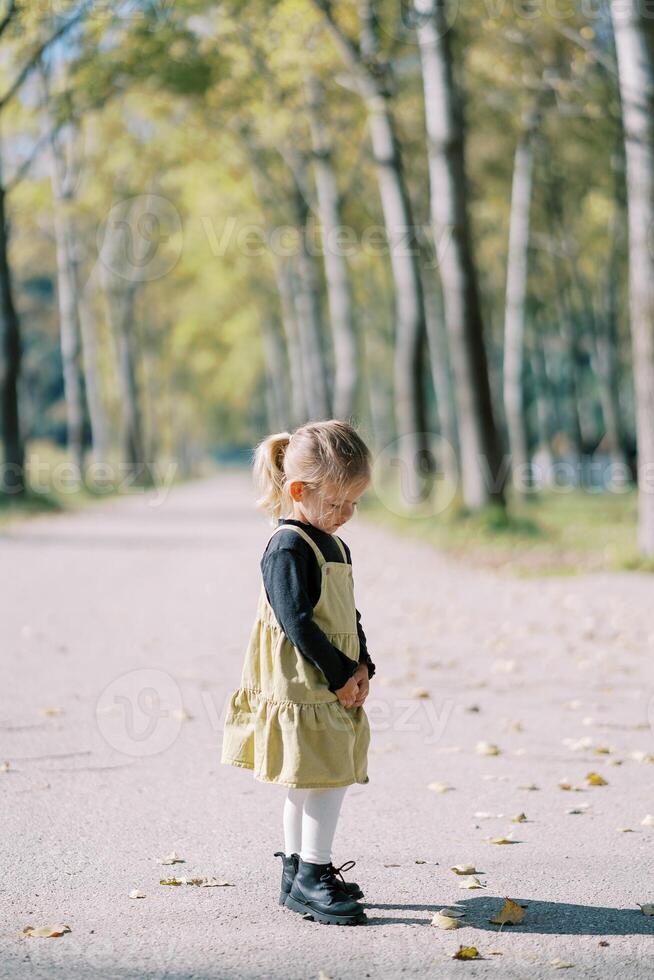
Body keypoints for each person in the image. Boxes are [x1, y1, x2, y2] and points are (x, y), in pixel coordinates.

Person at [221, 419, 375, 926]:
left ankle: (295, 873)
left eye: (355, 503)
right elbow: (297, 624)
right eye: (337, 504)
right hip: (306, 682)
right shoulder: (288, 546)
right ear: (297, 491)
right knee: (326, 775)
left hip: (329, 679)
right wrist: (338, 676)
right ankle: (312, 873)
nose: (347, 514)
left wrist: (364, 665)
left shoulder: (334, 542)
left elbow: (348, 614)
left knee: (311, 777)